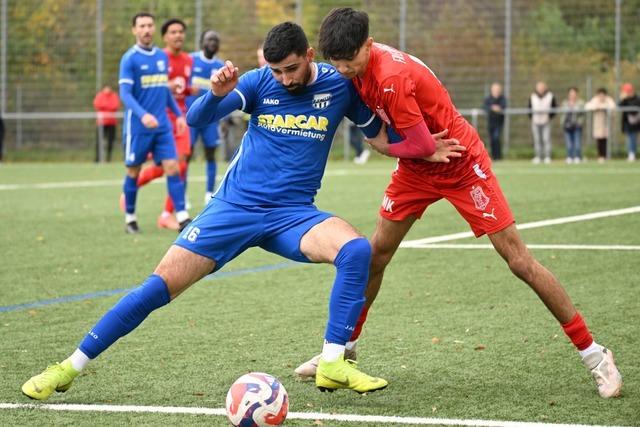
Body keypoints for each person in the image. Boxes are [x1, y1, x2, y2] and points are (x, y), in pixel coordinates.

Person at [20, 21, 461, 400]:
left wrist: (424, 151)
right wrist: (216, 95)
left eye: (292, 68)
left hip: (293, 215)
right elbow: (195, 120)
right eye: (277, 71)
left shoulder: (339, 86)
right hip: (234, 209)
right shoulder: (256, 83)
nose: (285, 79)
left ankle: (332, 361)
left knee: (357, 251)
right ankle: (68, 367)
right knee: (158, 288)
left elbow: (380, 140)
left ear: (309, 55)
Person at [295, 7, 623, 400]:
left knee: (519, 261)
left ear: (368, 45)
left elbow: (418, 143)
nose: (345, 71)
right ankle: (342, 351)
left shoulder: (391, 78)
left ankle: (595, 354)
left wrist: (383, 145)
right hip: (417, 169)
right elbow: (418, 149)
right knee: (376, 254)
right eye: (338, 64)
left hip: (461, 164)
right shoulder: (358, 67)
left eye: (350, 63)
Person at [114, 13, 190, 234]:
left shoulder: (160, 56)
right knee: (133, 171)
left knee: (173, 167)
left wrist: (178, 115)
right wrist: (142, 115)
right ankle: (130, 218)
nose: (146, 30)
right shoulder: (129, 58)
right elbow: (125, 94)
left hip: (163, 126)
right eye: (142, 26)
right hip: (138, 128)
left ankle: (183, 216)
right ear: (134, 30)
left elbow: (163, 91)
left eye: (149, 25)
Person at [187, 30, 224, 204]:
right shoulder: (190, 60)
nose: (213, 42)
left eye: (216, 40)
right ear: (202, 42)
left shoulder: (221, 66)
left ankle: (209, 193)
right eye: (209, 39)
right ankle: (183, 195)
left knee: (211, 154)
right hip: (190, 118)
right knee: (185, 156)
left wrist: (224, 118)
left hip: (211, 119)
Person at [528, 81, 556, 164]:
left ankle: (547, 156)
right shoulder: (532, 96)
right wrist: (532, 118)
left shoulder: (550, 96)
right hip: (535, 121)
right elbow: (529, 108)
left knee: (546, 139)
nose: (541, 89)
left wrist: (549, 117)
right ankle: (538, 156)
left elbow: (554, 108)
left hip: (546, 121)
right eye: (539, 87)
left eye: (542, 87)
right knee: (537, 140)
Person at [586, 88, 616, 164]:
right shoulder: (595, 100)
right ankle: (600, 156)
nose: (601, 96)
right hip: (598, 124)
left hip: (606, 124)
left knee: (606, 140)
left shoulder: (608, 100)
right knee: (599, 140)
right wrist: (598, 106)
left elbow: (612, 107)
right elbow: (588, 106)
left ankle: (606, 155)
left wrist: (603, 106)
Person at [93, 85, 120, 163]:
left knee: (110, 141)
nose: (107, 89)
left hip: (112, 122)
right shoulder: (100, 95)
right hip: (101, 122)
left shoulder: (114, 96)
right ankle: (97, 159)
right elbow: (97, 105)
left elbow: (115, 106)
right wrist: (107, 107)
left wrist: (104, 107)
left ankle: (108, 158)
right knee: (99, 141)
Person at [482, 82, 506, 161]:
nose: (496, 91)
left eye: (497, 89)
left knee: (496, 138)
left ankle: (498, 156)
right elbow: (484, 107)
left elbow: (504, 106)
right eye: (494, 89)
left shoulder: (502, 98)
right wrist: (492, 108)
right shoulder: (488, 98)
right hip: (491, 122)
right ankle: (494, 156)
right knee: (492, 139)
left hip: (499, 123)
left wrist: (498, 108)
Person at [561, 87, 585, 164]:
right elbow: (562, 114)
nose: (572, 95)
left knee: (577, 143)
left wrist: (580, 122)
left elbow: (582, 114)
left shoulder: (581, 103)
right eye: (571, 93)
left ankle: (577, 156)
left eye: (574, 93)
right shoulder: (565, 103)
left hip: (577, 125)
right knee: (569, 143)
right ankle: (569, 157)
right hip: (567, 125)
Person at [619, 83, 640, 162]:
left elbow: (633, 108)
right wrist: (623, 99)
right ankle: (630, 153)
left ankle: (632, 153)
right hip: (627, 123)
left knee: (633, 138)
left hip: (635, 122)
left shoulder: (637, 98)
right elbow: (619, 105)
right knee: (629, 138)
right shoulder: (625, 99)